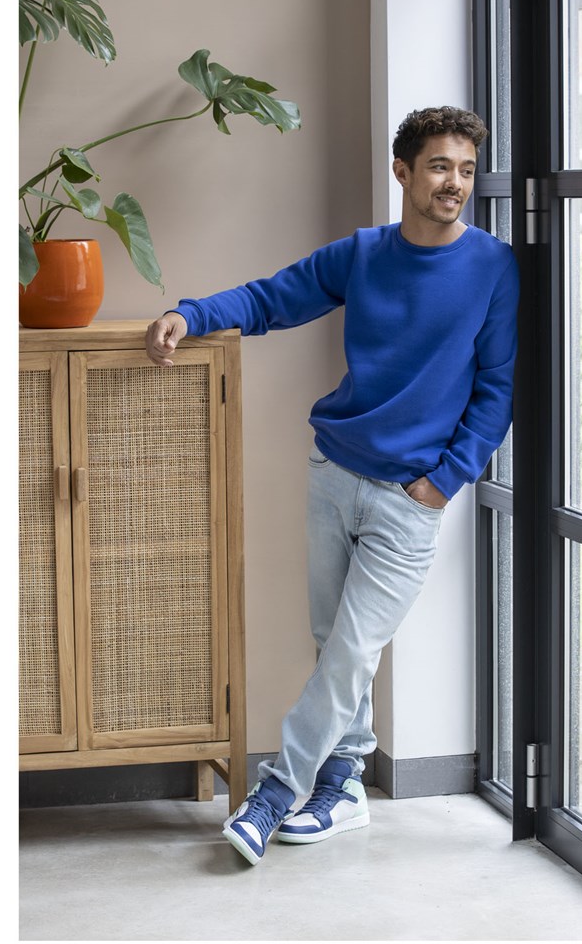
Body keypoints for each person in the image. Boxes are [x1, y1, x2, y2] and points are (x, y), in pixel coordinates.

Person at [145, 106, 519, 866]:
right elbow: (271, 298)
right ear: (403, 172)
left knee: (350, 650)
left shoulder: (494, 267)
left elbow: (497, 388)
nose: (455, 183)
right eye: (439, 166)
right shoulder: (364, 254)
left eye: (466, 170)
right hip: (334, 471)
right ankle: (344, 782)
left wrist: (444, 481)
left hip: (410, 498)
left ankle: (276, 791)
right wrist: (190, 314)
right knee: (333, 645)